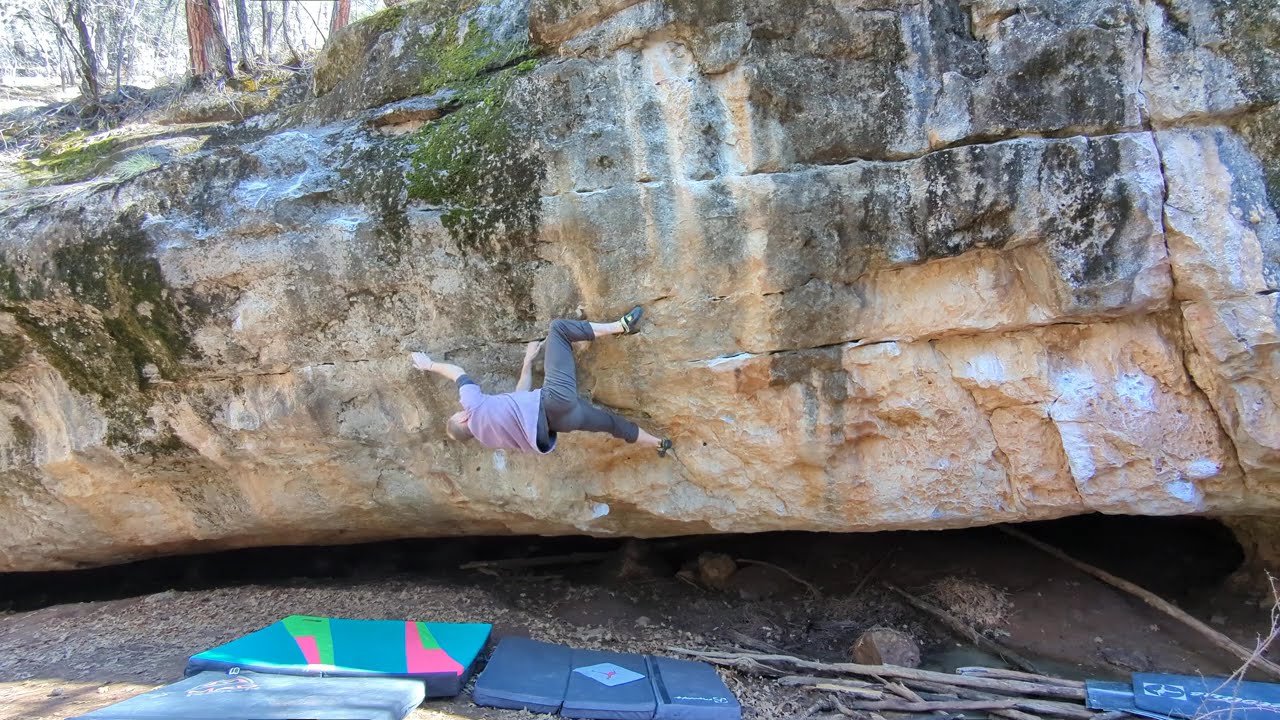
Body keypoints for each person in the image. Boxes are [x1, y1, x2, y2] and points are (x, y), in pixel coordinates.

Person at [411, 306, 673, 457]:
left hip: (564, 421)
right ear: (463, 420)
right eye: (458, 414)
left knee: (613, 424)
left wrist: (528, 361)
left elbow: (518, 399)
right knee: (558, 329)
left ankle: (658, 443)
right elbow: (458, 372)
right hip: (554, 400)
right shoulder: (474, 407)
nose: (461, 410)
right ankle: (619, 326)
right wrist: (429, 365)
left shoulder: (490, 438)